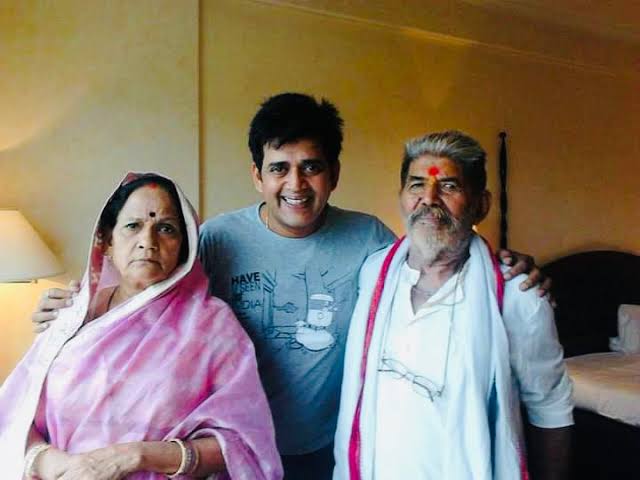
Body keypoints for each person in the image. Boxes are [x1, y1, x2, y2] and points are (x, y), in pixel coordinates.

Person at [32, 94, 550, 480]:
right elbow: (153, 291)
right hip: (230, 453)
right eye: (279, 168)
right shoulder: (217, 239)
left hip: (325, 449)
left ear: (334, 174)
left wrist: (499, 261)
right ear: (257, 176)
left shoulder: (371, 240)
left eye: (311, 168)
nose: (295, 185)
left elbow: (433, 257)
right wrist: (83, 305)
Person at [0, 173, 282, 480]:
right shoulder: (71, 315)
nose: (148, 242)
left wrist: (133, 456)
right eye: (133, 226)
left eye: (166, 228)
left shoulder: (212, 326)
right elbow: (15, 413)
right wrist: (53, 464)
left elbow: (243, 443)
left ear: (184, 246)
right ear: (107, 240)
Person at [333, 131, 573, 480]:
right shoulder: (373, 273)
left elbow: (550, 406)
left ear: (481, 204)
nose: (429, 199)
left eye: (448, 186)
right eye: (417, 184)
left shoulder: (516, 296)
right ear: (401, 197)